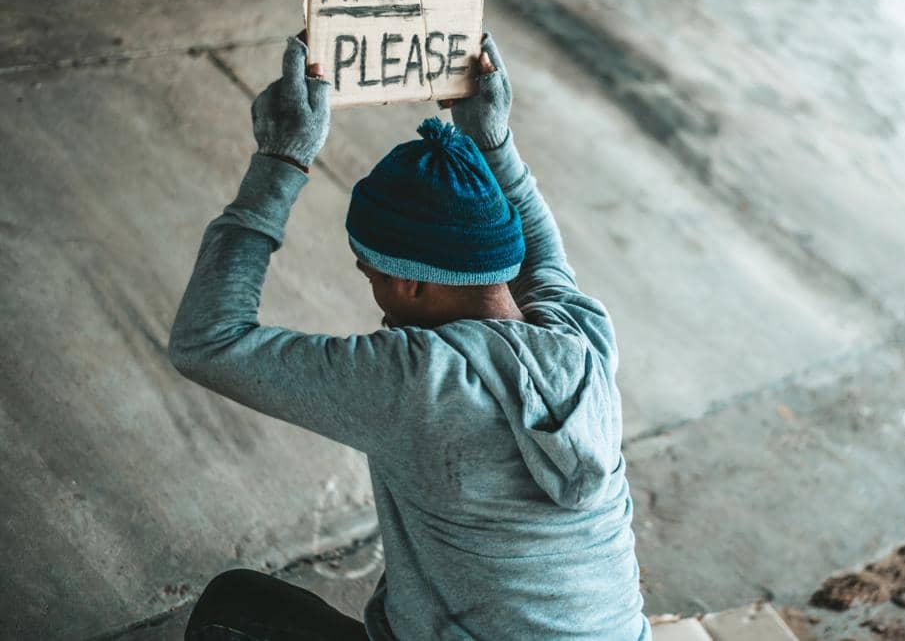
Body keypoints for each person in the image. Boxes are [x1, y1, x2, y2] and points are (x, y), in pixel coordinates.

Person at [169, 32, 650, 640]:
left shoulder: (420, 380)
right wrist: (492, 139)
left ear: (411, 284)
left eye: (370, 274)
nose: (374, 294)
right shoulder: (583, 340)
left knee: (234, 605)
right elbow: (540, 251)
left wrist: (280, 160)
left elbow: (206, 341)